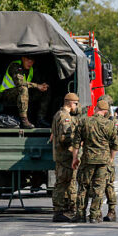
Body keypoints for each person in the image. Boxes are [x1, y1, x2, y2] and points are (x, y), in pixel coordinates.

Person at [71, 99, 118, 223]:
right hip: (103, 161)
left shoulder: (84, 121)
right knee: (99, 189)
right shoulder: (110, 124)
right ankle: (94, 215)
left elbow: (76, 142)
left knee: (83, 187)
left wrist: (75, 158)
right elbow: (115, 144)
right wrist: (111, 158)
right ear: (106, 111)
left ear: (96, 109)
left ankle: (80, 214)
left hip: (88, 159)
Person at [0, 55, 50, 129]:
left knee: (44, 91)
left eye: (32, 61)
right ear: (23, 58)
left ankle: (40, 119)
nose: (30, 63)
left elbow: (36, 83)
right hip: (6, 94)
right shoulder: (15, 65)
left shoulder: (31, 69)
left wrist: (42, 86)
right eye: (28, 60)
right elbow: (20, 83)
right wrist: (37, 85)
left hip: (22, 95)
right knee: (23, 89)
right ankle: (24, 120)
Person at [50, 93, 81, 222]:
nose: (77, 107)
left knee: (63, 183)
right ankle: (58, 211)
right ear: (70, 103)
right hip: (65, 155)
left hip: (60, 154)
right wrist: (78, 141)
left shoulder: (58, 114)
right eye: (76, 104)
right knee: (62, 184)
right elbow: (64, 138)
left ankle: (63, 209)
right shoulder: (65, 117)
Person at [97, 94, 118, 222]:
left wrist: (111, 157)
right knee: (97, 185)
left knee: (108, 186)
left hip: (108, 158)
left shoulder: (114, 122)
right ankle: (98, 211)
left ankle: (112, 211)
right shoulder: (96, 120)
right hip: (97, 158)